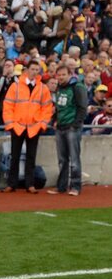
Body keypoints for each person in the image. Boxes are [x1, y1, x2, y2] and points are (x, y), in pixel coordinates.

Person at [2, 57, 53, 194]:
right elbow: (8, 105)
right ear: (26, 70)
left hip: (34, 127)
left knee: (31, 157)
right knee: (15, 156)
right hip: (18, 126)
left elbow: (47, 108)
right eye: (32, 69)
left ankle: (29, 184)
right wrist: (10, 124)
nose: (34, 72)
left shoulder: (43, 88)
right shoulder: (16, 86)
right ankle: (11, 184)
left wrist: (42, 124)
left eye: (37, 70)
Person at [47, 63, 88, 196]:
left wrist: (76, 124)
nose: (61, 77)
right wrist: (54, 120)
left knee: (74, 159)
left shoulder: (78, 87)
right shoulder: (59, 88)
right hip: (60, 126)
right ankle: (61, 186)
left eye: (63, 74)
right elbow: (59, 107)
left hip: (72, 127)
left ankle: (75, 186)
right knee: (62, 159)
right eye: (59, 75)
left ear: (70, 75)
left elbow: (82, 107)